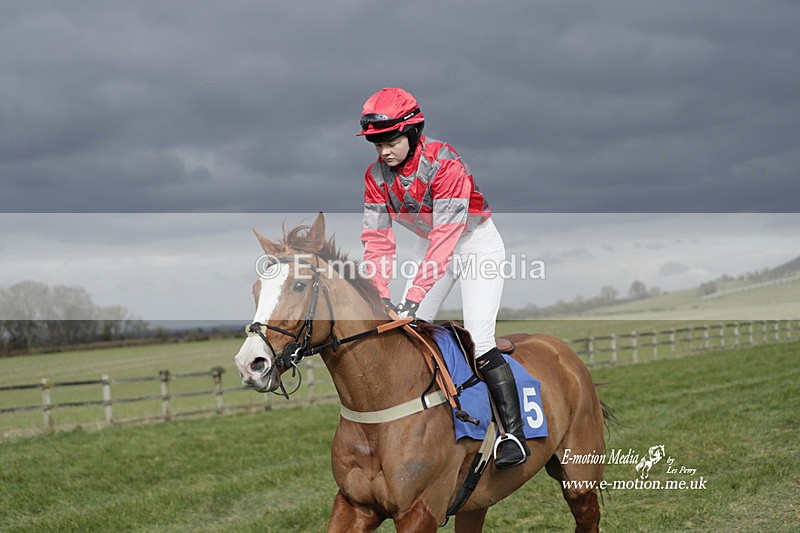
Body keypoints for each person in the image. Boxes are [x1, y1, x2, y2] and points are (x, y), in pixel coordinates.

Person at [358, 87, 530, 469]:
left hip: (474, 244)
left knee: (479, 339)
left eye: (390, 141)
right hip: (431, 244)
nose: (383, 151)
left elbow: (447, 236)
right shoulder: (375, 176)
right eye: (375, 144)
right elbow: (377, 241)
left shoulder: (445, 161)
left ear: (413, 133)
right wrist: (379, 294)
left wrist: (415, 295)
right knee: (408, 330)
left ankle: (514, 436)